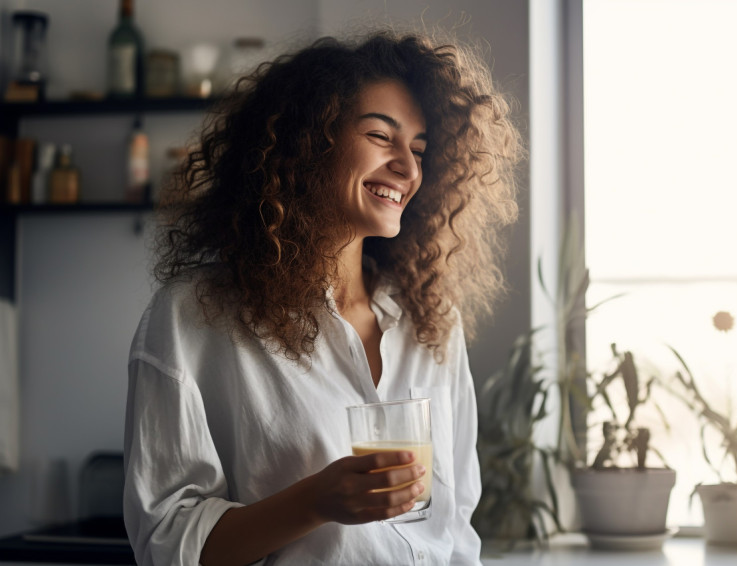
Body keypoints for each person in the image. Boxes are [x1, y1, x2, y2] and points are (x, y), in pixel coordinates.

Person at [123, 28, 522, 566]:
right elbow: (167, 541)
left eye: (420, 150)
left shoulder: (432, 321)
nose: (408, 167)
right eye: (382, 136)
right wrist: (315, 500)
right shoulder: (194, 316)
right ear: (310, 139)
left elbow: (455, 530)